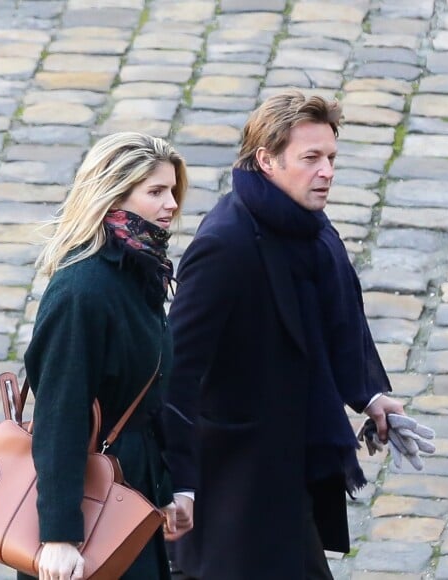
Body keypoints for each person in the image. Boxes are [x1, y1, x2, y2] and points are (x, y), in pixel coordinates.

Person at [162, 90, 405, 580]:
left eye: (331, 158)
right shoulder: (224, 246)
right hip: (236, 485)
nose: (327, 172)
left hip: (289, 466)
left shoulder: (309, 225)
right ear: (266, 160)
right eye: (311, 158)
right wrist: (179, 484)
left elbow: (338, 318)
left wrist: (370, 394)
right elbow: (177, 372)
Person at [18, 132, 193, 580]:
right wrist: (58, 536)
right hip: (90, 514)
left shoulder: (139, 274)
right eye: (155, 191)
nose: (171, 203)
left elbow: (147, 400)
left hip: (129, 497)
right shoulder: (84, 290)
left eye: (172, 190)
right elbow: (60, 413)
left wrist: (168, 489)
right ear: (113, 195)